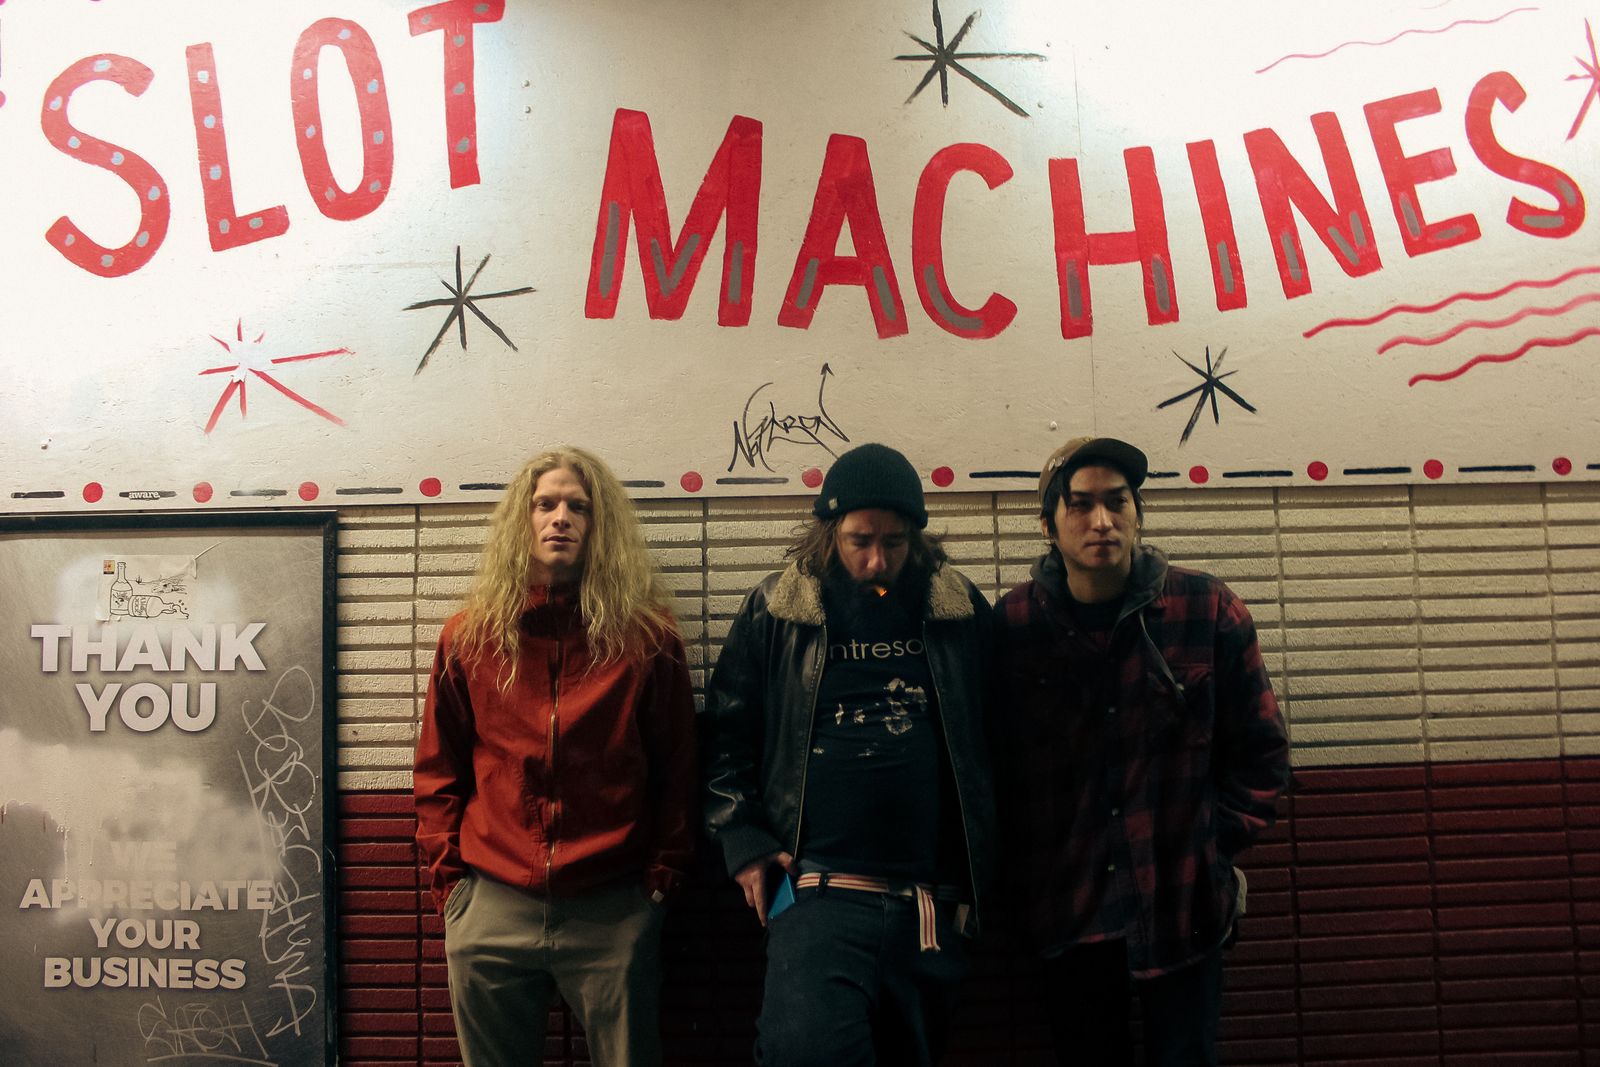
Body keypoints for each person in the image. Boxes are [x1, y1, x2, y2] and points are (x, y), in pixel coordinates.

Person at [993, 435, 1289, 1066]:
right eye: (1080, 504)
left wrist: (1211, 844)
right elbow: (991, 766)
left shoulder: (1206, 609)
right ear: (1048, 525)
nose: (1101, 521)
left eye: (1117, 501)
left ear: (1137, 512)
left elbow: (1262, 750)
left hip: (1181, 903)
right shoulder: (1012, 626)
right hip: (1068, 910)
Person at [702, 442, 994, 1067]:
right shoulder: (779, 611)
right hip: (818, 891)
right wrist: (743, 841)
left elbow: (996, 737)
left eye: (894, 542)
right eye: (860, 540)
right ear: (829, 531)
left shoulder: (958, 609)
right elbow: (726, 734)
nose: (876, 560)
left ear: (916, 538)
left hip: (930, 901)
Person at [414, 446, 697, 1067]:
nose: (560, 518)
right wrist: (451, 887)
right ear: (523, 521)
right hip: (491, 904)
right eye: (544, 504)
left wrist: (659, 881)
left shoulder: (646, 638)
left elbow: (678, 766)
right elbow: (439, 767)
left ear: (600, 525)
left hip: (614, 906)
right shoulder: (471, 637)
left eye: (578, 506)